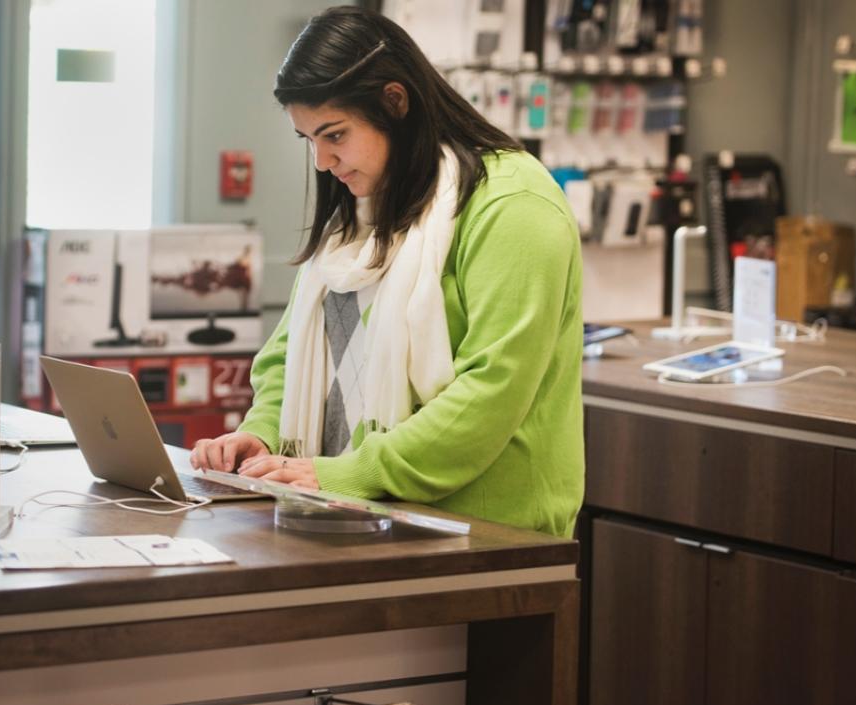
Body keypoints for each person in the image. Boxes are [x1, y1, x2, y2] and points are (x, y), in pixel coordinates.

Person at [190, 6, 584, 537]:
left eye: (334, 135)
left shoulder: (514, 205)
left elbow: (493, 390)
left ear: (394, 102)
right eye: (308, 140)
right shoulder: (364, 203)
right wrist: (261, 436)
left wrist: (357, 472)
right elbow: (294, 352)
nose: (322, 162)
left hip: (484, 532)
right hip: (348, 516)